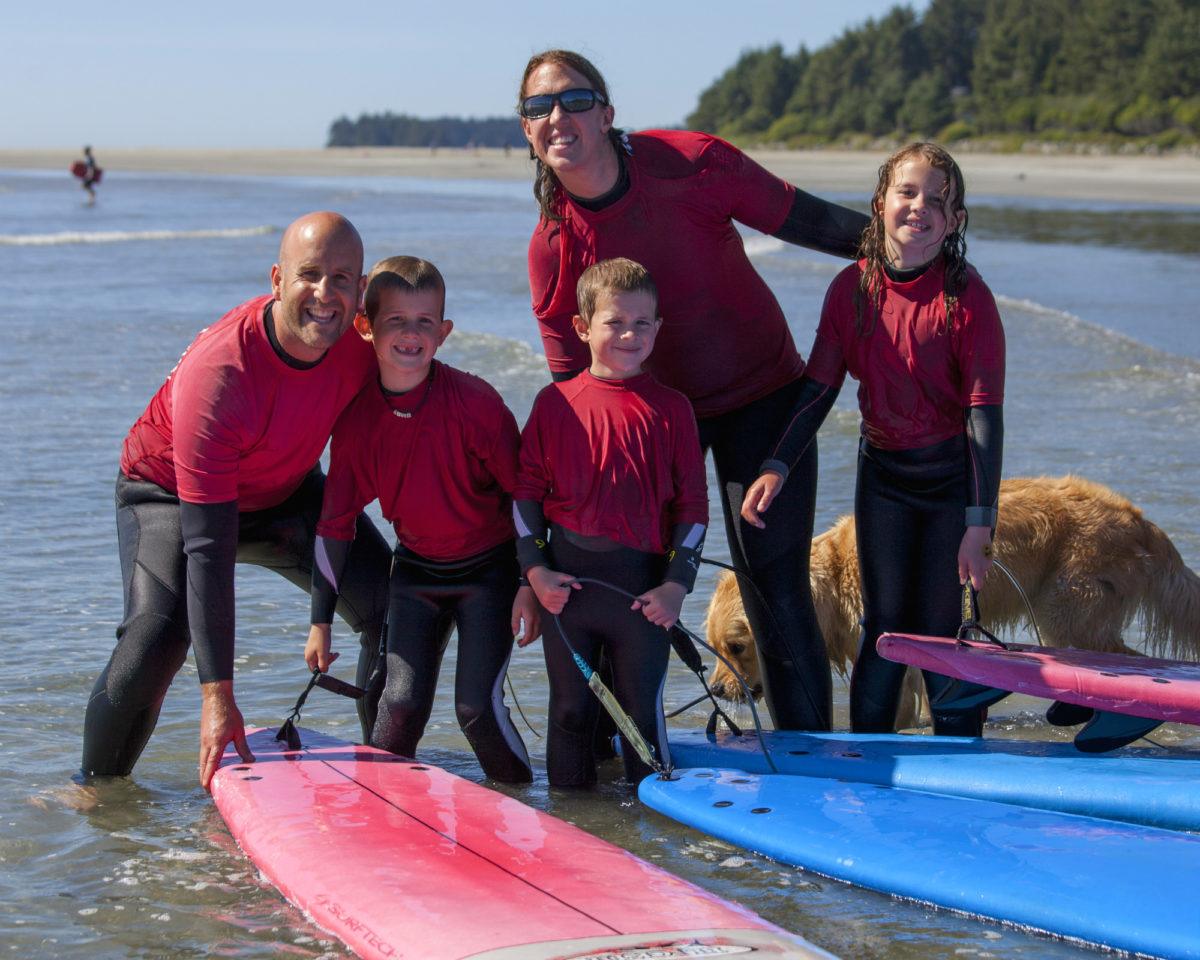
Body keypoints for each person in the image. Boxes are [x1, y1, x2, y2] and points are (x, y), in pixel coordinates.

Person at [518, 50, 870, 732]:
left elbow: (813, 223)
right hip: (654, 425)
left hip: (762, 398)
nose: (556, 117)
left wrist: (913, 254)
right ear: (526, 131)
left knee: (774, 586)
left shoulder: (692, 163)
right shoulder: (552, 244)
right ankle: (623, 769)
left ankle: (808, 761)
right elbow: (574, 397)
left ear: (608, 113)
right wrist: (549, 546)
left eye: (574, 100)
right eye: (538, 107)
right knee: (634, 585)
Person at [82, 212, 391, 790]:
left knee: (395, 604)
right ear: (277, 279)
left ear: (360, 289)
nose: (326, 295)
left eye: (343, 279)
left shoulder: (359, 342)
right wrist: (218, 698)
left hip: (285, 491)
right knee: (159, 635)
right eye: (310, 275)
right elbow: (208, 546)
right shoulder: (221, 373)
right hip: (167, 494)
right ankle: (95, 795)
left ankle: (388, 771)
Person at [740, 142, 1005, 736]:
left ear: (955, 220)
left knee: (943, 633)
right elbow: (818, 388)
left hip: (949, 483)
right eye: (906, 193)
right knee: (884, 628)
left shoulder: (968, 299)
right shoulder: (851, 290)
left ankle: (962, 768)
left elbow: (984, 416)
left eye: (937, 200)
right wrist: (777, 464)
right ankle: (867, 764)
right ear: (880, 203)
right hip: (883, 477)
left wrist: (979, 523)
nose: (919, 207)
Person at [306, 256, 535, 783]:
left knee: (475, 711)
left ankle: (530, 810)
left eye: (424, 322)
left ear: (444, 332)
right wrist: (320, 621)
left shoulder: (475, 403)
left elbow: (524, 494)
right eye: (395, 321)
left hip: (490, 574)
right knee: (401, 705)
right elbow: (334, 524)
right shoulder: (358, 422)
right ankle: (383, 823)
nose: (411, 335)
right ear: (365, 327)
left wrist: (528, 580)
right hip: (416, 573)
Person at [514, 258, 708, 787]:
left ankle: (651, 845)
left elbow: (692, 508)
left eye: (642, 323)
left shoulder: (673, 410)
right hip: (567, 590)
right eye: (614, 322)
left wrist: (675, 586)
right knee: (571, 713)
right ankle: (572, 833)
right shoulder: (555, 404)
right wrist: (535, 573)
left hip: (642, 595)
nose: (629, 334)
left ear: (658, 329)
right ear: (582, 327)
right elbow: (523, 495)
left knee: (641, 719)